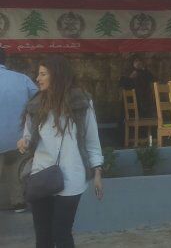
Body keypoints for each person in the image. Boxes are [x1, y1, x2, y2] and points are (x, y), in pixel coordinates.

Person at [18, 55, 104, 248]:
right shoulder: (35, 105)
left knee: (61, 234)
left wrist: (97, 172)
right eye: (38, 74)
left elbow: (92, 141)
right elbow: (28, 136)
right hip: (41, 174)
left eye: (43, 74)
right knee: (43, 237)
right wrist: (24, 142)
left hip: (72, 177)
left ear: (57, 75)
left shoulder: (82, 104)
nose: (38, 79)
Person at [0, 50, 37, 212]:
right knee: (15, 169)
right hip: (19, 138)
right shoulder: (22, 79)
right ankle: (18, 202)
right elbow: (40, 101)